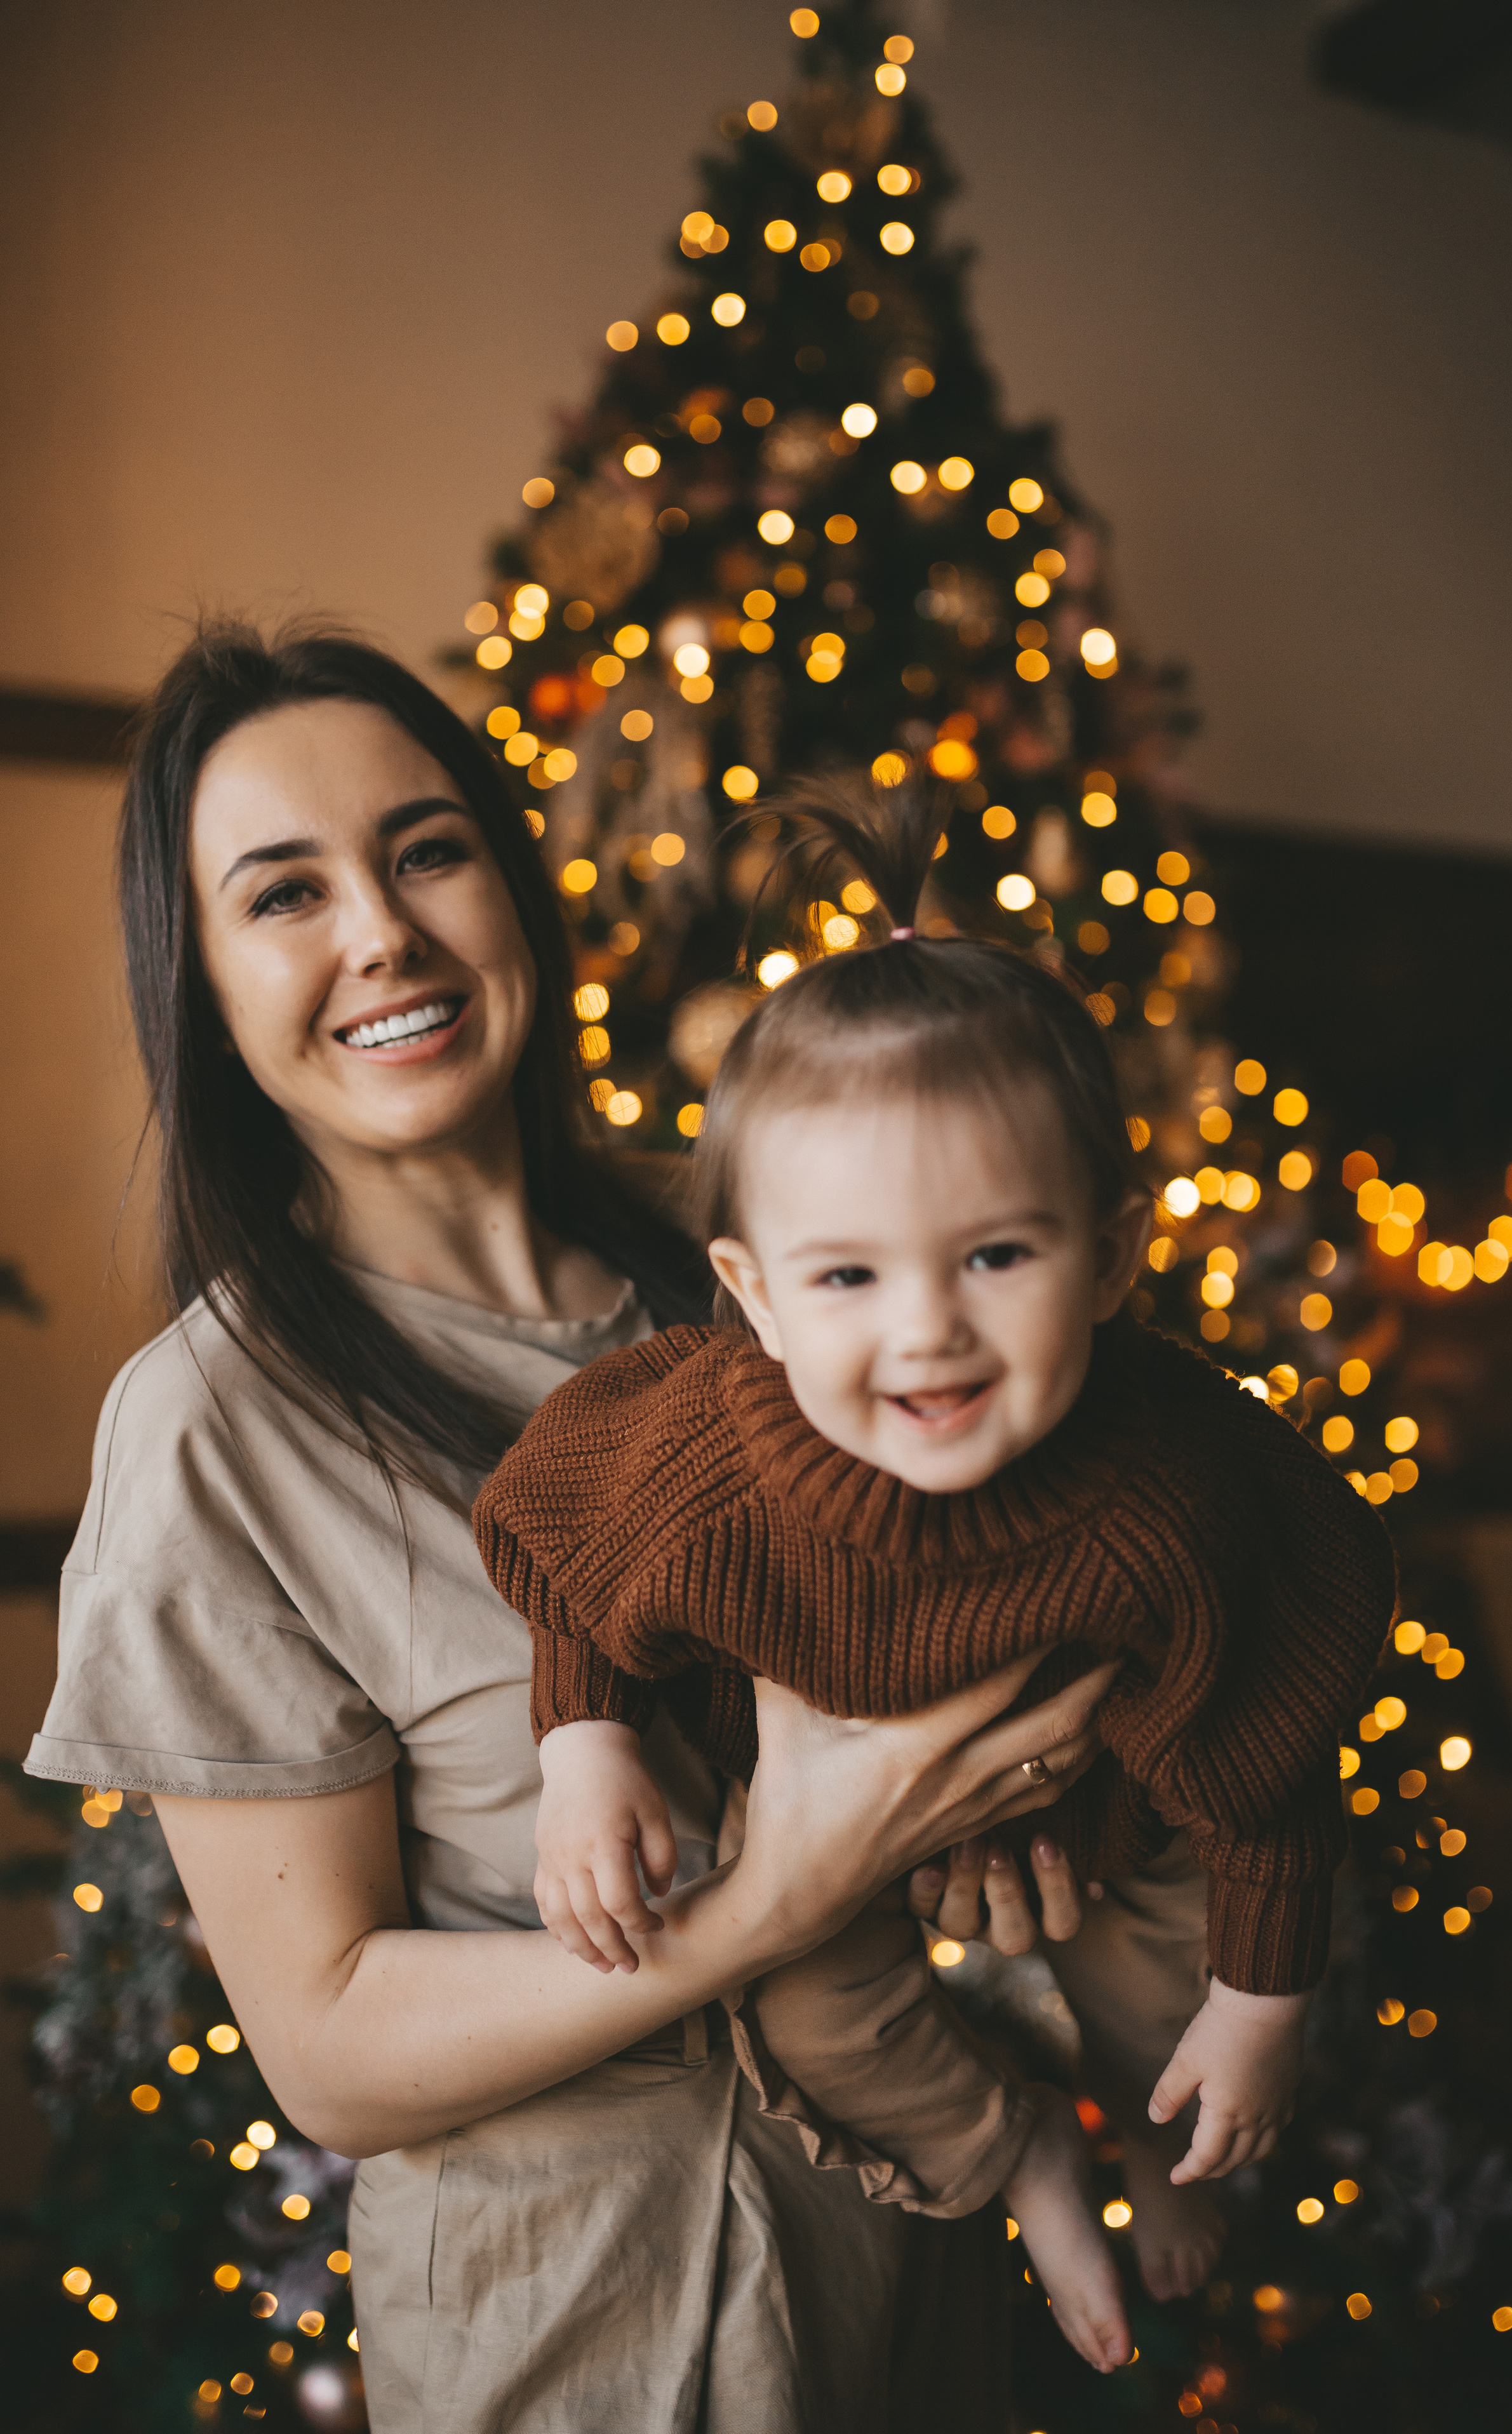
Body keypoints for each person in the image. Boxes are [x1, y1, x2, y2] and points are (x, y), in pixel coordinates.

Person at [23, 626, 1116, 2434]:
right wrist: (781, 1895)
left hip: (906, 2261)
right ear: (204, 987)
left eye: (428, 849)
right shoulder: (214, 1431)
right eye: (284, 895)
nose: (382, 931)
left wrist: (999, 1820)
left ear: (515, 892)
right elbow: (333, 2048)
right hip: (579, 2330)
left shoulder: (754, 1275)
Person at [473, 780, 1399, 2361]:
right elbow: (574, 1556)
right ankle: (1021, 2143)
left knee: (1168, 1981)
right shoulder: (710, 1462)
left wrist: (1260, 2002)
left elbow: (1260, 1754)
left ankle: (1134, 2126)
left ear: (1107, 1259)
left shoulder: (1161, 1494)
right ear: (752, 1298)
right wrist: (585, 1747)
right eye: (846, 1275)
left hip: (1116, 1811)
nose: (926, 1332)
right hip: (834, 1837)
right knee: (813, 2013)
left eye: (994, 1256)